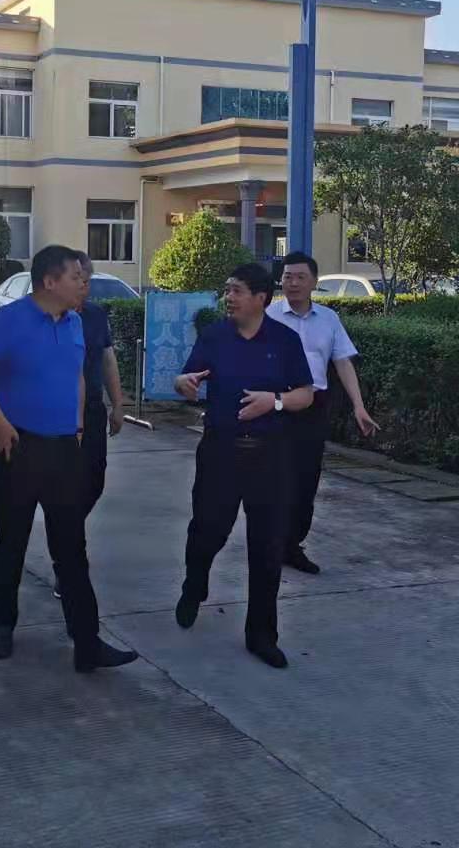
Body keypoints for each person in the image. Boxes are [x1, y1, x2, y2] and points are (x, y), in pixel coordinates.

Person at [0, 244, 138, 674]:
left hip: (64, 449)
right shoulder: (11, 319)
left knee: (71, 547)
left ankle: (87, 642)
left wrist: (76, 424)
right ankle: (4, 624)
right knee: (13, 541)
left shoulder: (75, 322)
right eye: (76, 277)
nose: (84, 283)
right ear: (50, 281)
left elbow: (77, 375)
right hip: (18, 446)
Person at [172, 262, 315, 669]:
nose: (228, 298)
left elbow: (305, 394)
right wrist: (185, 383)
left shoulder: (284, 341)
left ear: (260, 298)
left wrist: (275, 401)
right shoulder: (215, 336)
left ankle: (261, 635)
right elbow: (185, 377)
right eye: (228, 290)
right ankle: (194, 584)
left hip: (270, 456)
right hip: (220, 452)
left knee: (268, 546)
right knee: (207, 530)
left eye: (236, 290)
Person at [269, 251, 381, 575]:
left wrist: (359, 406)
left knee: (306, 479)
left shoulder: (329, 319)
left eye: (300, 277)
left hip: (314, 406)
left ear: (314, 282)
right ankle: (272, 542)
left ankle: (292, 545)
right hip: (276, 404)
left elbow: (342, 362)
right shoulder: (269, 316)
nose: (293, 283)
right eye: (287, 276)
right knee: (275, 478)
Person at [49, 251, 125, 598]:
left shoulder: (95, 315)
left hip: (93, 410)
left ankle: (65, 530)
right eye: (78, 279)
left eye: (87, 279)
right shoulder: (49, 316)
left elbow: (107, 358)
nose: (84, 285)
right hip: (58, 415)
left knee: (94, 481)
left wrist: (117, 404)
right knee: (66, 490)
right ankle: (67, 565)